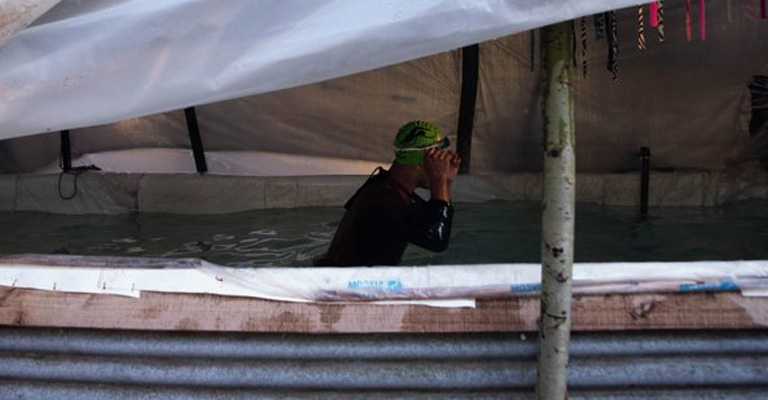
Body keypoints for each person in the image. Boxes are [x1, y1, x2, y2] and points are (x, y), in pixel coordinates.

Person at [315, 120, 461, 266]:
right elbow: (436, 239)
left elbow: (431, 219)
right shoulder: (385, 200)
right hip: (347, 286)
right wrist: (439, 179)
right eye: (437, 161)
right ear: (419, 163)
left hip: (346, 280)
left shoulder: (385, 187)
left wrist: (445, 182)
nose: (443, 167)